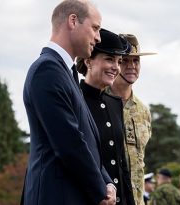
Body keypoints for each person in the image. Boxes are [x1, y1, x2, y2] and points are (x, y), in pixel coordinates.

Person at [22, 1, 117, 204]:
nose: (98, 37)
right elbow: (69, 142)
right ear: (73, 21)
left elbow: (87, 140)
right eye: (95, 28)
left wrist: (108, 184)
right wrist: (100, 191)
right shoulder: (47, 70)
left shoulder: (66, 72)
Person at [76, 28, 135, 205]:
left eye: (118, 61)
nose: (116, 67)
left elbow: (121, 165)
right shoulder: (75, 100)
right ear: (89, 61)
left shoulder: (114, 104)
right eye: (109, 59)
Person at [107, 33, 156, 205]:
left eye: (136, 61)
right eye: (125, 60)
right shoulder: (96, 103)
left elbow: (140, 161)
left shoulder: (143, 111)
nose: (131, 66)